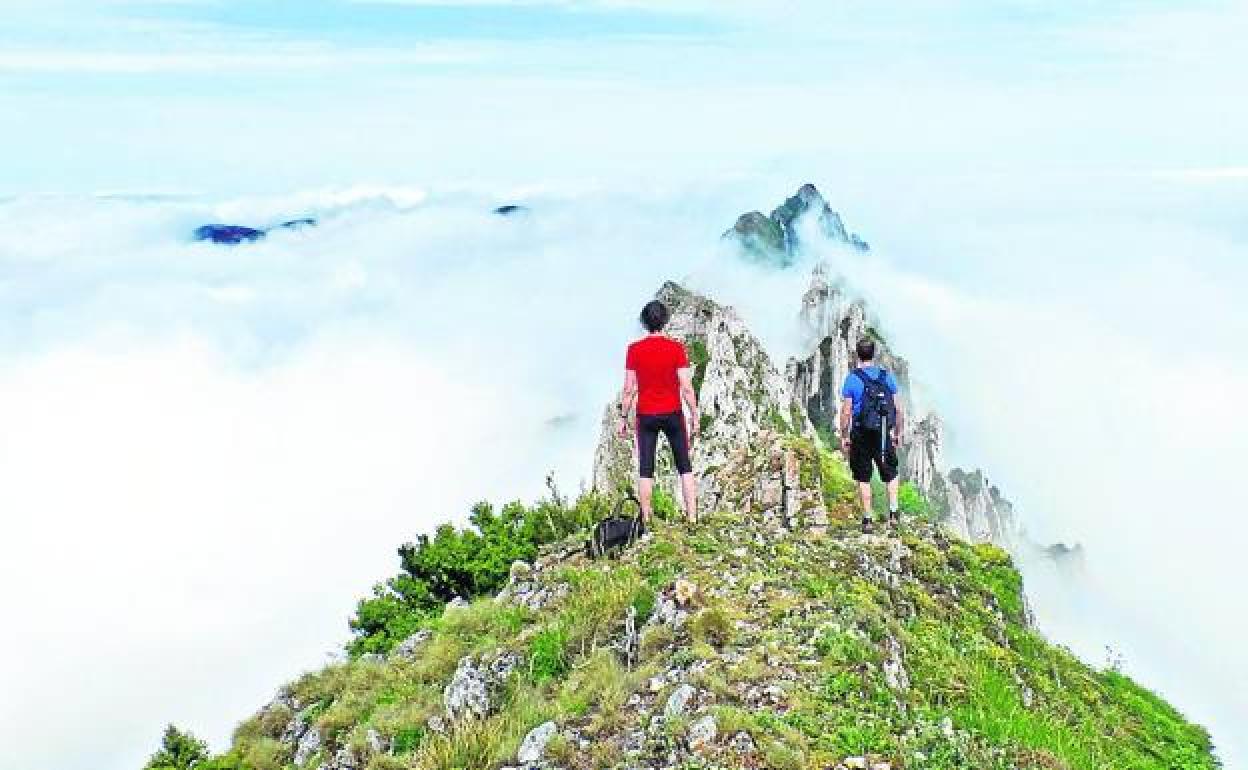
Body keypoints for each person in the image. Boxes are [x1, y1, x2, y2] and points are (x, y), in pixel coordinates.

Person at [615, 299, 699, 525]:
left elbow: (629, 389)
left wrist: (623, 418)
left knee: (645, 469)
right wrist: (694, 416)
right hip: (673, 414)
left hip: (646, 416)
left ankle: (646, 518)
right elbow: (687, 387)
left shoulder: (634, 350)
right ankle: (692, 517)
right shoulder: (676, 348)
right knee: (684, 466)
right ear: (665, 321)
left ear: (644, 322)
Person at [838, 337, 905, 534]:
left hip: (860, 433)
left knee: (863, 477)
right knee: (890, 473)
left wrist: (844, 436)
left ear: (857, 354)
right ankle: (893, 513)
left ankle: (867, 519)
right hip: (883, 432)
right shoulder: (886, 377)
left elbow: (846, 412)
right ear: (873, 353)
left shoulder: (852, 379)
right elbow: (899, 409)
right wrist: (898, 433)